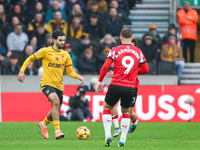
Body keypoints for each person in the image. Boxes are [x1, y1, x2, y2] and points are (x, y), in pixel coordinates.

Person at [17, 30, 84, 139]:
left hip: (59, 86)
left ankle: (43, 125)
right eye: (60, 40)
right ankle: (58, 131)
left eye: (64, 40)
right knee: (56, 102)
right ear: (54, 40)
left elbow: (70, 71)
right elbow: (30, 58)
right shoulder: (45, 51)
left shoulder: (65, 54)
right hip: (46, 84)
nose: (62, 43)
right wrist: (21, 71)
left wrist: (78, 76)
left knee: (56, 108)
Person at [95, 28, 149, 146]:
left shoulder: (115, 50)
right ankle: (123, 139)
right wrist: (133, 72)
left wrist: (100, 80)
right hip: (130, 87)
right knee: (126, 112)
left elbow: (105, 66)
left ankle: (108, 134)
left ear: (120, 38)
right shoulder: (138, 51)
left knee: (107, 107)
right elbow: (146, 69)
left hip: (115, 85)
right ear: (132, 38)